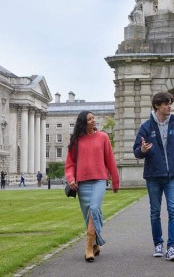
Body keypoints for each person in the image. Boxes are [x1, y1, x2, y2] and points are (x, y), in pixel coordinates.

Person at [133, 91, 174, 262]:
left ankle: (171, 247)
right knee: (155, 212)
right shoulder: (146, 127)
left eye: (170, 103)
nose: (170, 106)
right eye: (166, 103)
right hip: (153, 175)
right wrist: (143, 150)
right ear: (157, 106)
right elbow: (136, 152)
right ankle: (158, 244)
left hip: (172, 176)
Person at [66, 110, 119, 262]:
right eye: (90, 119)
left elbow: (110, 161)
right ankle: (96, 244)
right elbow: (70, 164)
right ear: (83, 122)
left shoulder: (103, 137)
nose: (93, 120)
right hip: (82, 183)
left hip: (99, 180)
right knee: (88, 215)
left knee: (94, 209)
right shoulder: (76, 140)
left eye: (93, 118)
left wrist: (115, 181)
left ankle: (89, 246)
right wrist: (71, 179)